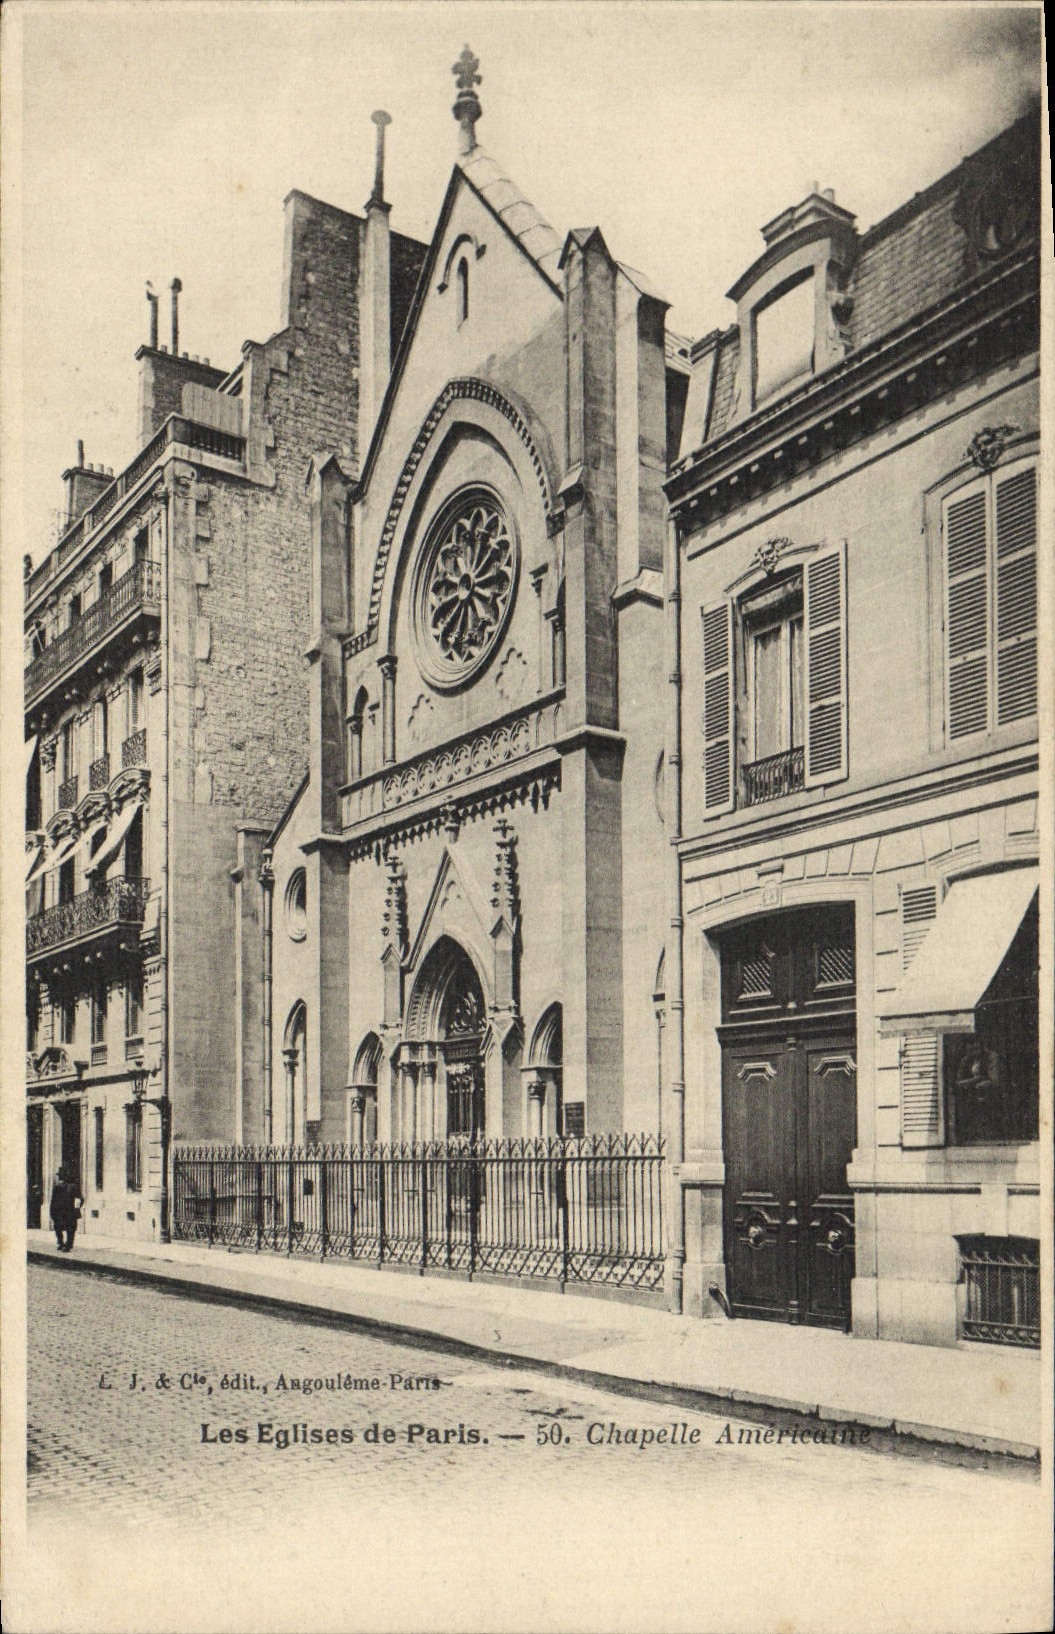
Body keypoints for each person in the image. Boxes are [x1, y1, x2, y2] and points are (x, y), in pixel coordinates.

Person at [49, 1166, 82, 1253]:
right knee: (70, 1229)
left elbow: (53, 1201)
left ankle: (61, 1243)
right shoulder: (74, 1187)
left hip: (60, 1212)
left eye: (60, 1175)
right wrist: (76, 1209)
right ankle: (68, 1245)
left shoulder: (58, 1187)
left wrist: (52, 1211)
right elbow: (80, 1199)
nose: (59, 1177)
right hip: (70, 1212)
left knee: (58, 1228)